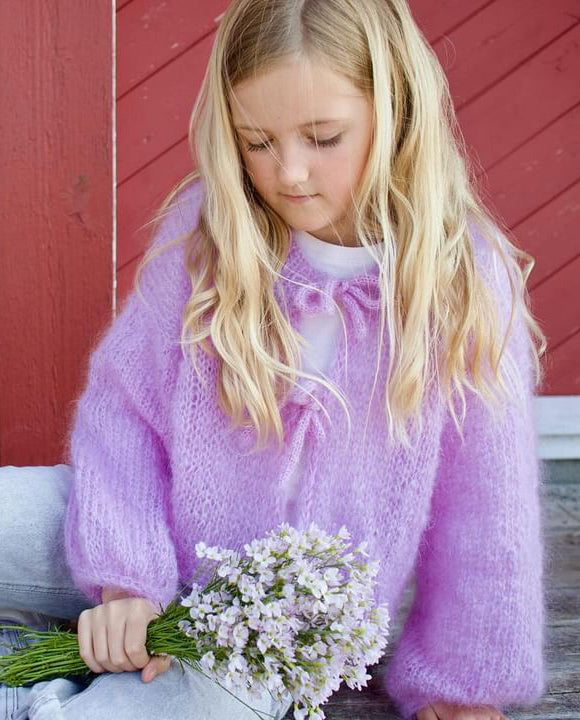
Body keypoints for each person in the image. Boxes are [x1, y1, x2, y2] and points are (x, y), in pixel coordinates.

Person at [0, 1, 548, 718]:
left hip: (271, 632)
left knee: (219, 705)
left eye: (323, 137)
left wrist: (461, 684)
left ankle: (34, 699)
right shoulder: (209, 235)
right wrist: (125, 579)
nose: (288, 173)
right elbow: (121, 412)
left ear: (395, 109)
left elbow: (488, 509)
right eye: (257, 142)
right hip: (139, 536)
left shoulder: (463, 278)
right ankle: (76, 644)